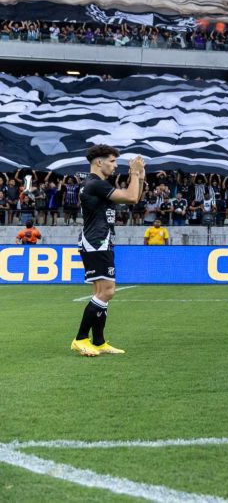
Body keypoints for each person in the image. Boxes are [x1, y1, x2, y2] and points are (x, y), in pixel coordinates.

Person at [70, 144, 145, 357]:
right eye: (112, 161)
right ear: (98, 162)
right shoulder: (95, 184)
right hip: (96, 241)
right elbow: (131, 198)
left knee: (100, 293)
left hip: (100, 240)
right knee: (107, 291)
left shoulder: (97, 184)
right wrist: (134, 172)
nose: (115, 166)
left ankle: (99, 341)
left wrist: (139, 176)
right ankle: (80, 339)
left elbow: (134, 198)